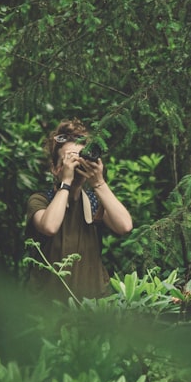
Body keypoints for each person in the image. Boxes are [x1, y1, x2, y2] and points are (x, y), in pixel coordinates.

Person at [26, 119, 133, 300]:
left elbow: (124, 226)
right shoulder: (40, 200)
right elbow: (49, 226)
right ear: (54, 168)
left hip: (93, 306)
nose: (76, 165)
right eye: (69, 160)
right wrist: (66, 182)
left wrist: (99, 183)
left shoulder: (92, 202)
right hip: (49, 309)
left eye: (79, 158)